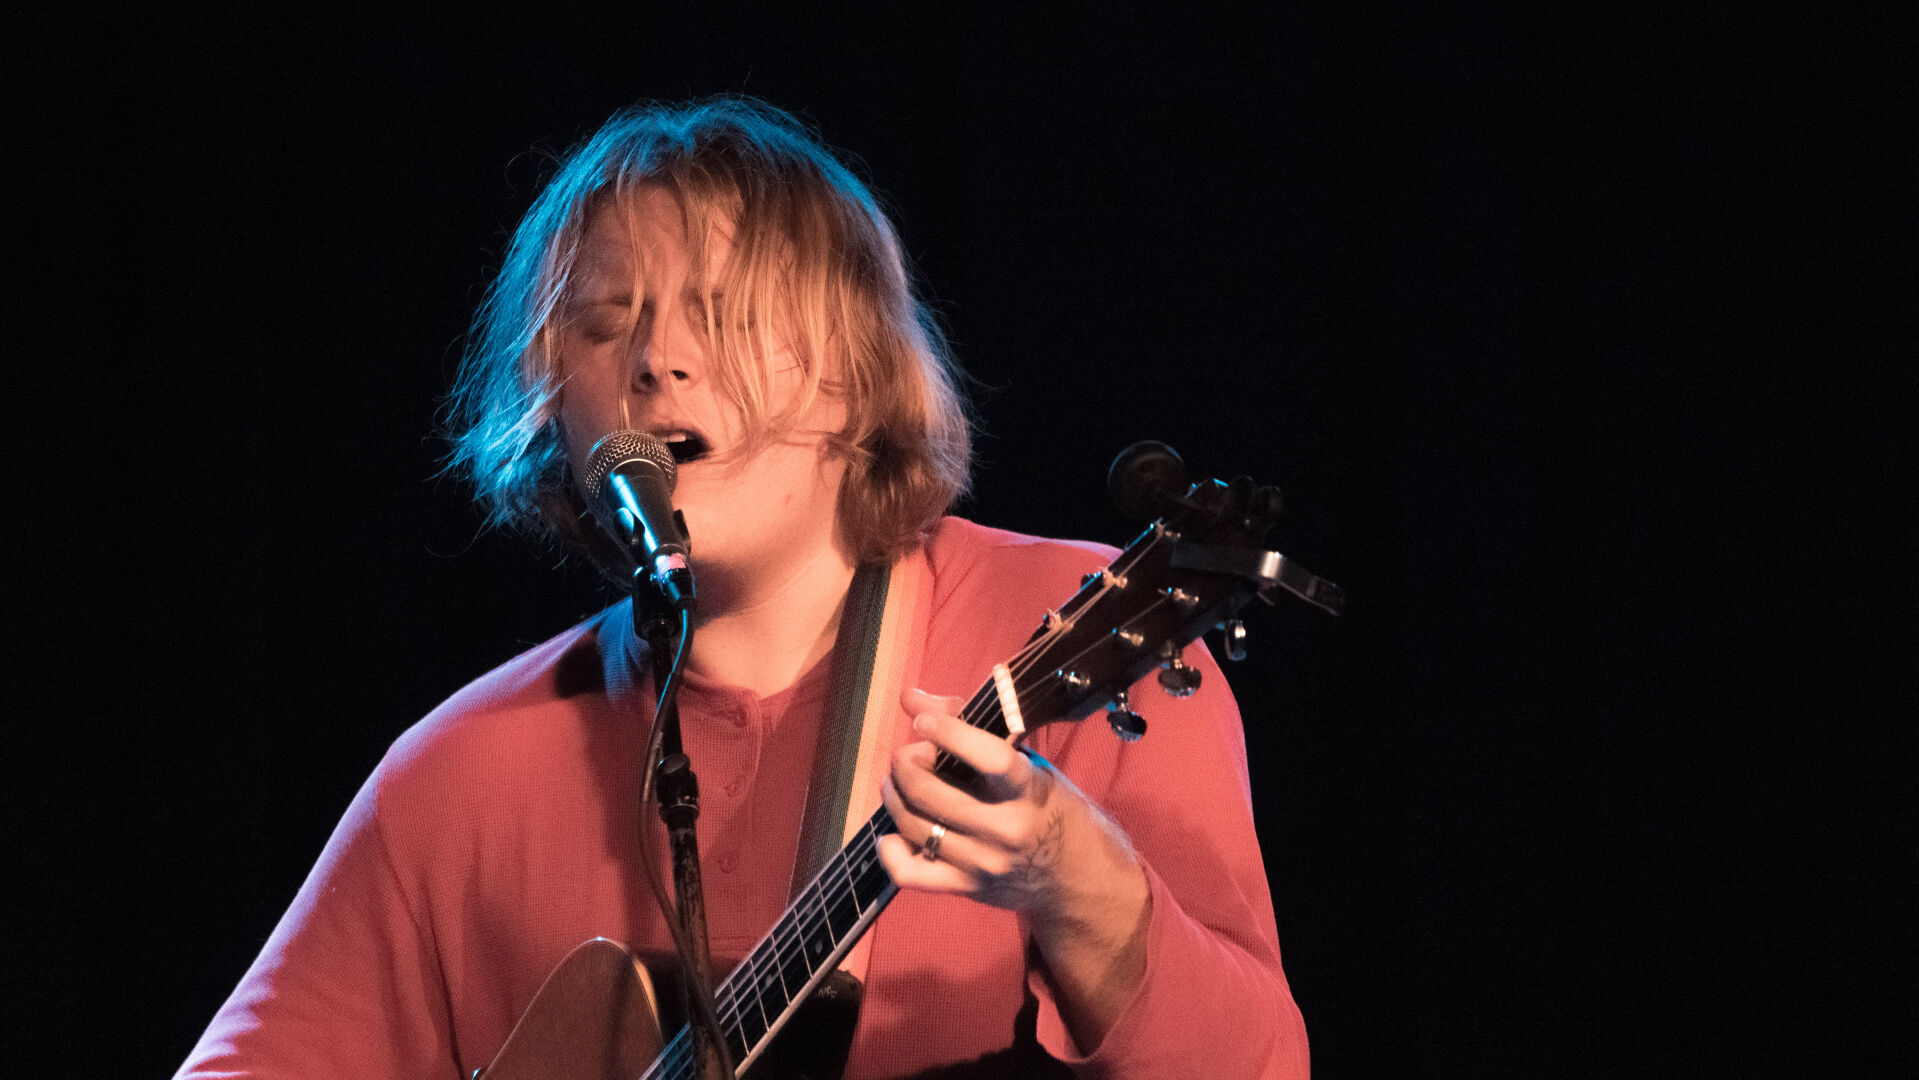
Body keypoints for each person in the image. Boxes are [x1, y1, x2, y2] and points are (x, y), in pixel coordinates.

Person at [175, 97, 1309, 1079]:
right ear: (549, 408)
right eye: (603, 321)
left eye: (719, 312)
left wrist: (1080, 886)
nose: (657, 360)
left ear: (855, 374)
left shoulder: (1066, 633)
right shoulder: (458, 776)